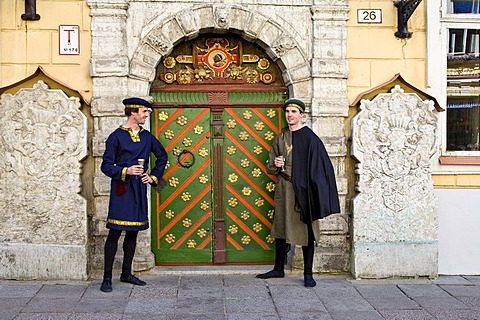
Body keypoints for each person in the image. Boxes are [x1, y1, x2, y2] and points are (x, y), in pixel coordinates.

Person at [256, 98, 340, 287]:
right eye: (287, 111)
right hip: (283, 189)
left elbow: (321, 167)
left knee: (306, 230)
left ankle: (308, 274)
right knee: (281, 228)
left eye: (294, 112)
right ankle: (278, 269)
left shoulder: (310, 138)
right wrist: (275, 165)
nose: (289, 115)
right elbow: (270, 165)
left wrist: (314, 189)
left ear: (301, 114)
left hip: (303, 191)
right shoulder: (280, 137)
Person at [100, 97, 168, 292]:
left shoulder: (147, 137)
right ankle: (106, 278)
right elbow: (106, 165)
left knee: (133, 232)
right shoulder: (116, 137)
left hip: (138, 189)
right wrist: (125, 171)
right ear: (133, 112)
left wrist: (153, 176)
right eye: (145, 112)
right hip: (122, 190)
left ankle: (126, 273)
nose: (147, 115)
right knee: (114, 232)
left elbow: (162, 156)